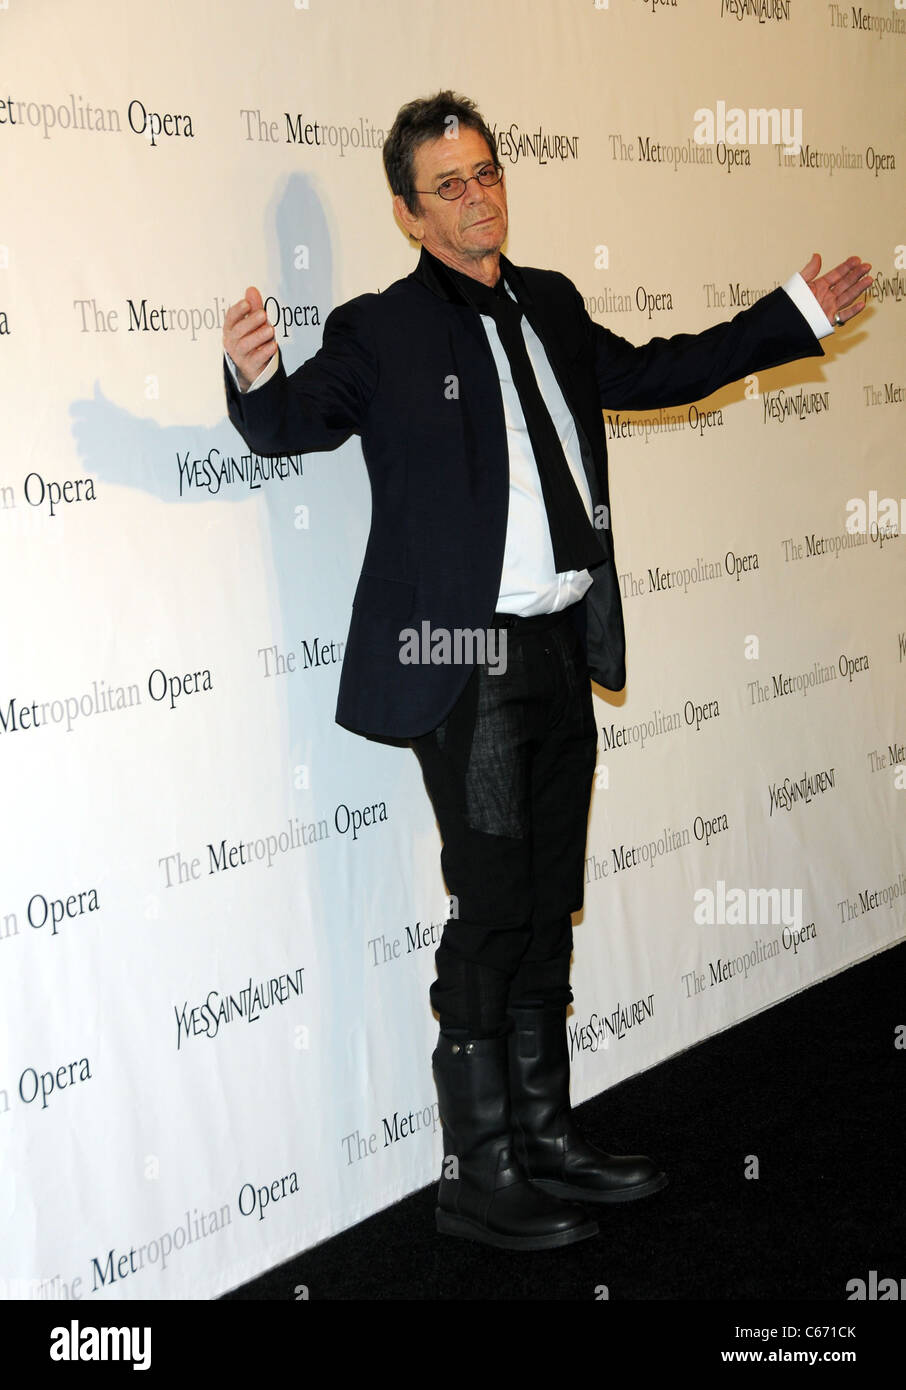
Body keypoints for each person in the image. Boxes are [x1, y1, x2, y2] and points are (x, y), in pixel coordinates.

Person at [222, 90, 871, 1252]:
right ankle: (479, 1175)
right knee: (493, 906)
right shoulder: (382, 330)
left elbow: (662, 370)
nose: (479, 196)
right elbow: (292, 429)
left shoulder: (553, 304)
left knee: (546, 901)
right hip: (464, 662)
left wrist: (788, 316)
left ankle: (545, 1137)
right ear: (410, 214)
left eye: (487, 172)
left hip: (560, 646)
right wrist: (251, 378)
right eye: (451, 185)